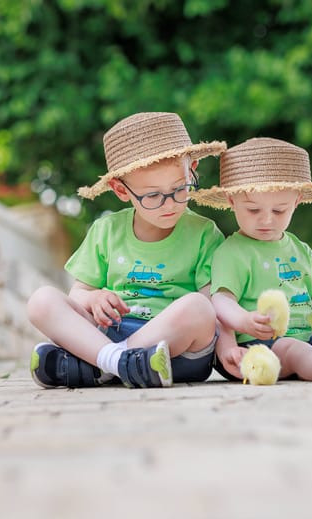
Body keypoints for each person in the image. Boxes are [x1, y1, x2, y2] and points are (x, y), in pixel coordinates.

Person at [27, 112, 226, 388]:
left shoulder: (204, 233)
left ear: (191, 169)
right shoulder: (106, 230)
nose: (169, 204)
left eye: (180, 189)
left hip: (175, 349)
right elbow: (78, 294)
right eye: (153, 196)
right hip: (113, 332)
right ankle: (121, 363)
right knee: (41, 300)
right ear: (121, 190)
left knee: (200, 308)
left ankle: (102, 365)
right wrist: (94, 298)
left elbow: (212, 311)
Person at [191, 137, 312, 382]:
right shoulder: (232, 252)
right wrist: (245, 320)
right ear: (232, 200)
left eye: (279, 210)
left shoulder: (299, 249)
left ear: (296, 202)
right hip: (253, 347)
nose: (266, 220)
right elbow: (221, 301)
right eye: (253, 210)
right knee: (290, 349)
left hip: (300, 338)